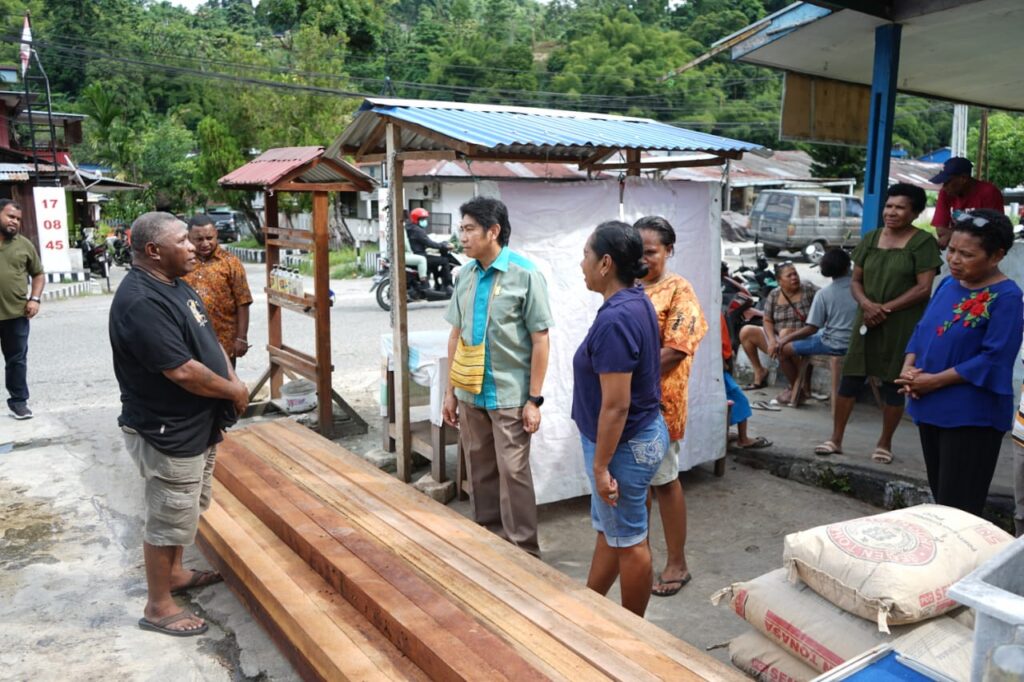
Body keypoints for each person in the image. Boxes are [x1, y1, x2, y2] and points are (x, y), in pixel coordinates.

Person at [109, 212, 249, 637]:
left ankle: (174, 574)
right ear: (154, 251)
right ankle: (158, 605)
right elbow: (183, 371)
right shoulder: (141, 300)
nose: (193, 247)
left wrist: (233, 380)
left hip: (195, 424)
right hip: (167, 428)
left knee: (186, 508)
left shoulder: (176, 284)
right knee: (167, 514)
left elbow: (210, 341)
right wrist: (232, 393)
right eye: (183, 241)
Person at [442, 196, 552, 558]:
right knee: (480, 470)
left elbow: (540, 339)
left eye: (470, 229)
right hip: (471, 393)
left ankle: (524, 552)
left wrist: (534, 400)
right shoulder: (466, 275)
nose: (463, 236)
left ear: (494, 231)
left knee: (514, 475)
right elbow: (455, 334)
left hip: (510, 396)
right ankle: (489, 545)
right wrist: (449, 393)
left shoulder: (526, 274)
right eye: (461, 229)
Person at [897, 210, 1022, 517]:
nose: (954, 259)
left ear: (996, 256)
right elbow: (922, 329)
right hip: (929, 405)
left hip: (971, 416)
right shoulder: (948, 285)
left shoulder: (1007, 297)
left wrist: (932, 381)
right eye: (951, 250)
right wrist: (909, 369)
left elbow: (993, 359)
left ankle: (966, 565)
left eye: (967, 254)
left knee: (959, 508)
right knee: (942, 498)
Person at [572, 220, 667, 617]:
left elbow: (616, 405)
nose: (582, 264)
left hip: (623, 445)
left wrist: (599, 466)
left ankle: (634, 633)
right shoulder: (635, 299)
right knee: (613, 531)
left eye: (586, 255)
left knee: (629, 541)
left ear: (606, 263)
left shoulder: (616, 319)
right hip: (635, 436)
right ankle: (589, 608)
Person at [815, 183, 941, 461]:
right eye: (888, 206)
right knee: (851, 378)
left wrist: (885, 308)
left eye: (900, 207)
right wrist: (867, 304)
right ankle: (835, 439)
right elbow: (856, 280)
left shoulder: (923, 243)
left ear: (915, 212)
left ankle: (885, 443)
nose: (891, 212)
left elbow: (923, 288)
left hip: (901, 323)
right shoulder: (871, 239)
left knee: (892, 382)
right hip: (866, 319)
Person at [634, 216, 707, 598]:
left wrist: (627, 377)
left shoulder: (680, 291)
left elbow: (676, 350)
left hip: (660, 406)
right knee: (635, 485)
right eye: (639, 251)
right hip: (624, 406)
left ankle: (677, 562)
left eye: (652, 252)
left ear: (669, 251)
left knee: (663, 482)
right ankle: (638, 556)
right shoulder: (629, 287)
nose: (644, 259)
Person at [778, 248, 858, 405]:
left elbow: (812, 328)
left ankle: (797, 390)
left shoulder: (824, 294)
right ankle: (799, 389)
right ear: (848, 266)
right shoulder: (862, 289)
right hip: (857, 343)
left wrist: (785, 339)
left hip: (833, 344)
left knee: (783, 350)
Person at [738, 262, 817, 403]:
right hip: (780, 338)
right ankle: (760, 371)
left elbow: (825, 302)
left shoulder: (808, 289)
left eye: (795, 274)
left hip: (804, 336)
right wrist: (772, 340)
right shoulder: (774, 295)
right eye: (789, 275)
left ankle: (799, 387)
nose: (794, 278)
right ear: (780, 281)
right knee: (746, 331)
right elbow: (767, 320)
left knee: (785, 334)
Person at [182, 215, 253, 364]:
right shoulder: (182, 261)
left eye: (209, 238)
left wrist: (242, 338)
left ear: (216, 235)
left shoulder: (230, 262)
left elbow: (243, 301)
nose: (205, 243)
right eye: (199, 239)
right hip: (188, 342)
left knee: (224, 384)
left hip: (223, 341)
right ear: (189, 237)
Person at [0, 199, 44, 420]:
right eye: (10, 216)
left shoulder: (24, 244)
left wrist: (34, 299)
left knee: (16, 360)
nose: (14, 222)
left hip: (16, 314)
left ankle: (18, 402)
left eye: (17, 219)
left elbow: (38, 273)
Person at [930, 157, 1004, 249]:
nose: (944, 187)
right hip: (959, 247)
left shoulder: (989, 192)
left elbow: (994, 230)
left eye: (947, 182)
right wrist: (973, 232)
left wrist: (953, 233)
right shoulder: (945, 193)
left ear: (963, 178)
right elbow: (941, 230)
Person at [722, 314, 770, 450]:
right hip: (718, 371)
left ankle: (724, 435)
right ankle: (743, 439)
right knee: (739, 399)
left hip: (715, 369)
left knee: (724, 403)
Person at [407, 207, 453, 290]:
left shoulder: (410, 228)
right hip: (420, 255)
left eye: (425, 219)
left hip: (415, 253)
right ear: (416, 219)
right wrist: (443, 245)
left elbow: (424, 241)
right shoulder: (418, 230)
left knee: (434, 263)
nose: (425, 221)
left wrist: (439, 244)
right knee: (445, 261)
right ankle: (447, 285)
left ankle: (437, 285)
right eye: (423, 219)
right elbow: (429, 243)